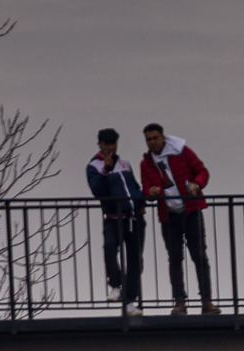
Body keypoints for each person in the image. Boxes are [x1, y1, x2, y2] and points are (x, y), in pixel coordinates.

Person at [140, 123, 220, 315]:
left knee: (199, 256)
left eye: (155, 138)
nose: (152, 142)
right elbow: (145, 189)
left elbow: (203, 171)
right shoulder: (146, 163)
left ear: (163, 138)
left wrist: (197, 184)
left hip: (191, 211)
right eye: (148, 139)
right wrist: (151, 192)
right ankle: (180, 302)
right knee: (175, 258)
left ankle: (207, 301)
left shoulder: (182, 152)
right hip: (169, 216)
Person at [86, 129, 144, 315]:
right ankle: (116, 285)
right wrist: (106, 170)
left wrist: (141, 202)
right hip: (113, 218)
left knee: (135, 260)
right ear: (100, 144)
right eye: (106, 144)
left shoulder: (125, 164)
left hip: (133, 218)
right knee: (110, 248)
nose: (110, 147)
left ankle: (129, 302)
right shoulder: (94, 166)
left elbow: (134, 187)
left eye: (113, 143)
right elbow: (98, 191)